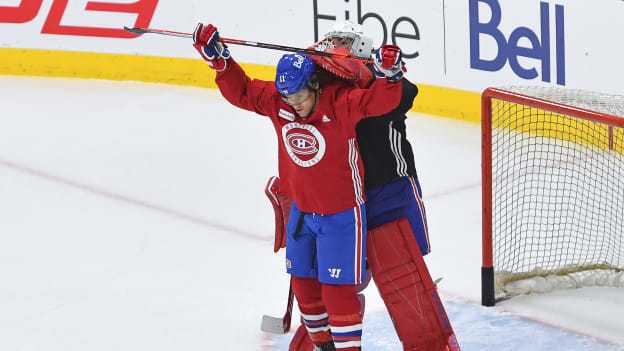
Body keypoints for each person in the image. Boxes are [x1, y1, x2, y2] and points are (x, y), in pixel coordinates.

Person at [192, 23, 406, 351]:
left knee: (337, 291)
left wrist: (389, 77)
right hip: (303, 214)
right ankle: (323, 347)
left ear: (316, 85)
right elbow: (243, 91)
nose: (293, 104)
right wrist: (220, 62)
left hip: (342, 216)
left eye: (300, 96)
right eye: (287, 97)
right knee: (304, 287)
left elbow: (377, 103)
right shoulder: (279, 101)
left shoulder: (341, 102)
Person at [265, 21, 460, 351]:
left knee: (403, 283)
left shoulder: (385, 85)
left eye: (342, 42)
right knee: (335, 281)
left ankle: (433, 344)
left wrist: (384, 73)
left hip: (386, 195)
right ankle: (321, 341)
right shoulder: (324, 87)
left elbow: (399, 95)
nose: (334, 44)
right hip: (337, 198)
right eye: (332, 40)